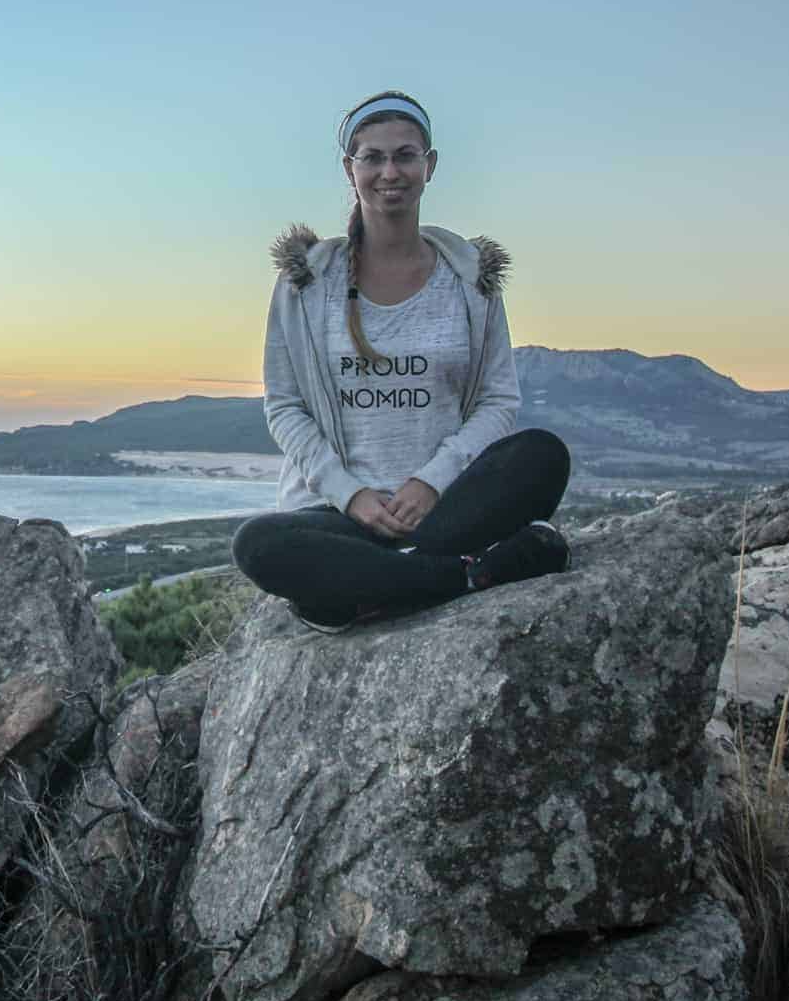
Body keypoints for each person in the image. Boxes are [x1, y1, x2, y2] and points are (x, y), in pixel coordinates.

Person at [233, 90, 572, 632]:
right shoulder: (306, 283)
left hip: (445, 508)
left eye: (405, 155)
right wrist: (351, 495)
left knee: (543, 455)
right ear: (351, 168)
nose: (390, 171)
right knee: (257, 545)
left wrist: (431, 482)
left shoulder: (470, 279)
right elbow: (285, 405)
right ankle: (469, 575)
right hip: (337, 516)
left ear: (429, 165)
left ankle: (364, 589)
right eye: (373, 157)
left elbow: (498, 400)